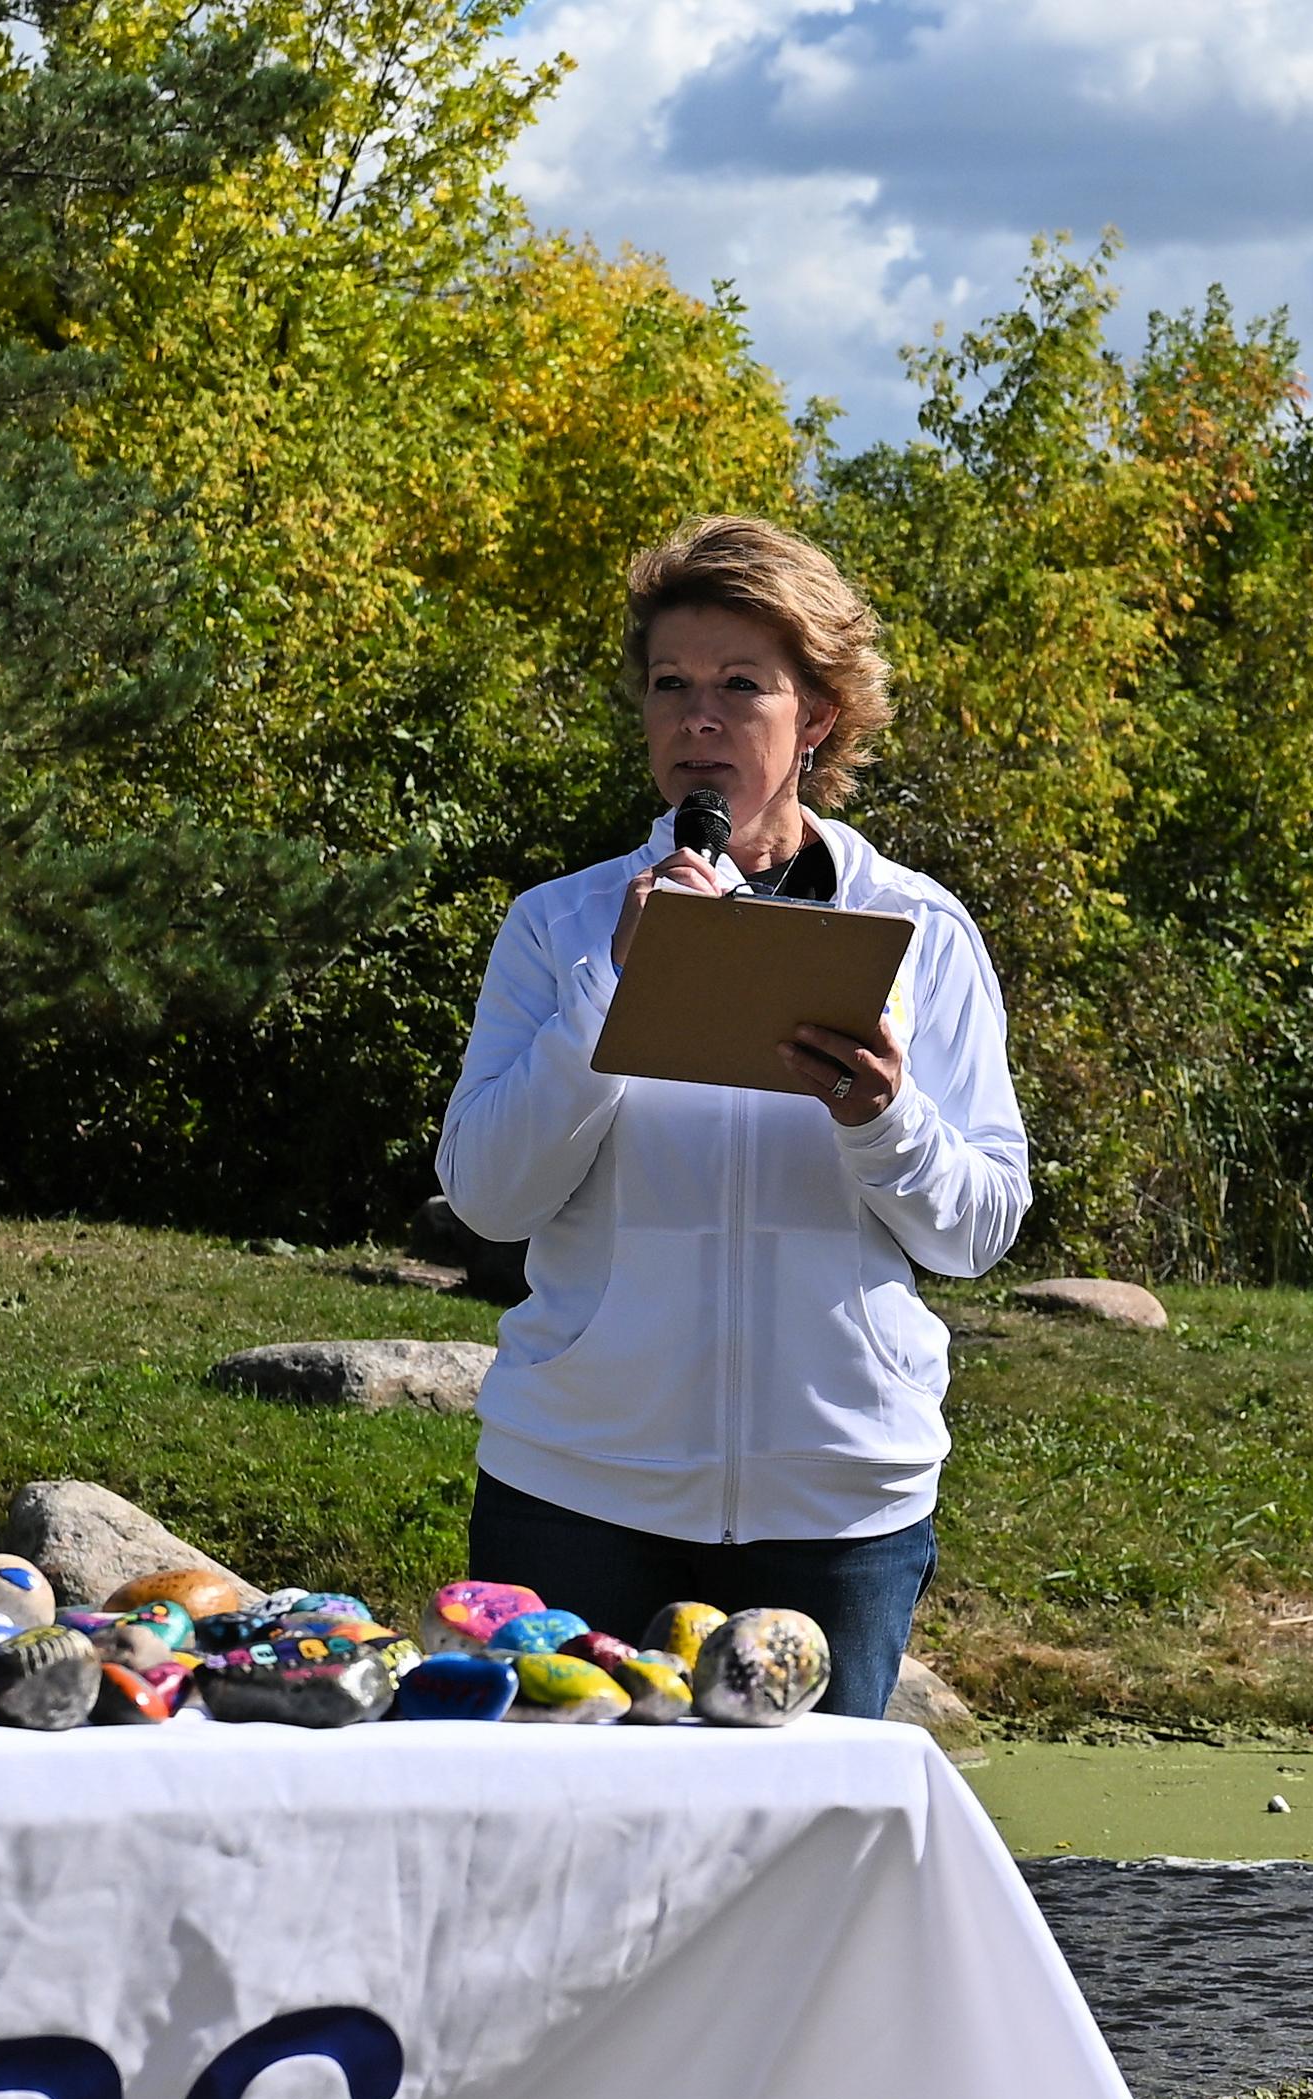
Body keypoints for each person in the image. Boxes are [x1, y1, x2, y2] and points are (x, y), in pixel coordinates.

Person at [438, 515, 1031, 1718]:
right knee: (569, 1831)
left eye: (737, 686)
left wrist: (884, 1117)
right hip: (576, 1493)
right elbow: (488, 1197)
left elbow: (977, 1230)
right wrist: (610, 987)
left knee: (806, 1837)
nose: (694, 719)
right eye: (668, 685)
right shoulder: (558, 927)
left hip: (835, 1507)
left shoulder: (915, 929)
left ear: (817, 715)